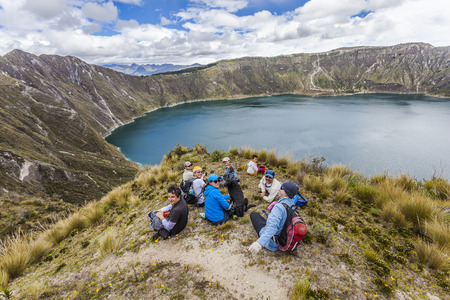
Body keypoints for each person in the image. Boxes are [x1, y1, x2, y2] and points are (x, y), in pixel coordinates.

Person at [248, 180, 299, 254]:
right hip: (284, 238)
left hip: (273, 243)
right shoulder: (293, 206)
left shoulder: (279, 207)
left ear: (286, 193)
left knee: (253, 214)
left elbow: (272, 228)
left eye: (281, 188)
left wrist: (259, 243)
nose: (279, 189)